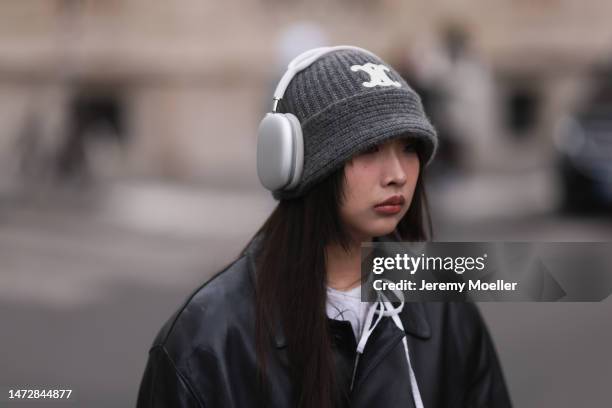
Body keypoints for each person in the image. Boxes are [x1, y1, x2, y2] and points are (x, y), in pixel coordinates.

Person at [136, 46, 512, 408]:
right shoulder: (205, 343)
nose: (398, 175)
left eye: (409, 148)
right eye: (370, 148)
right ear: (297, 163)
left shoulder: (445, 305)